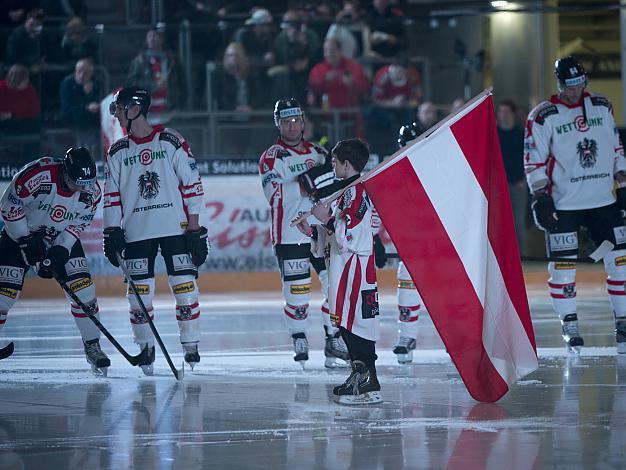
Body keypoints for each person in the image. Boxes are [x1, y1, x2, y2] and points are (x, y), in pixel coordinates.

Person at [103, 87, 209, 375]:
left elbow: (193, 185)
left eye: (122, 107)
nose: (118, 113)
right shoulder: (117, 150)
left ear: (136, 108)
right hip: (136, 232)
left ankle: (190, 344)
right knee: (138, 295)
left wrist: (195, 229)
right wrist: (111, 231)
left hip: (176, 229)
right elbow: (111, 196)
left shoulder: (170, 140)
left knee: (185, 287)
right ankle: (145, 347)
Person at [524, 56, 626, 354]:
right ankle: (570, 324)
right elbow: (534, 159)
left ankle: (623, 322)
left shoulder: (602, 106)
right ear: (559, 83)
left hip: (603, 200)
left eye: (580, 82)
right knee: (564, 266)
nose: (576, 89)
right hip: (565, 202)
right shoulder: (544, 116)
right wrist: (540, 196)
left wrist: (623, 183)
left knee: (620, 260)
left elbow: (615, 146)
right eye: (569, 84)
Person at [0, 147, 110, 375]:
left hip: (58, 236)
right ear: (65, 171)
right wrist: (26, 239)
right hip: (19, 234)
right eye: (76, 181)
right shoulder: (37, 174)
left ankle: (93, 345)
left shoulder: (92, 190)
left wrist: (62, 248)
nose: (82, 187)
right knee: (4, 295)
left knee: (83, 291)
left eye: (86, 182)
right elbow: (8, 206)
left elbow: (78, 223)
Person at [259, 98, 349, 368]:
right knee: (297, 292)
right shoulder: (270, 157)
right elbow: (273, 194)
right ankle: (298, 335)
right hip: (289, 233)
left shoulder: (320, 153)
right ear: (278, 123)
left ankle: (333, 337)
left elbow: (333, 188)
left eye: (296, 120)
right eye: (286, 121)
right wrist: (306, 183)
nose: (292, 126)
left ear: (304, 121)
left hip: (319, 230)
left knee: (334, 284)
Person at [295, 138, 382, 404]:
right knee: (345, 321)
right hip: (342, 267)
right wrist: (312, 230)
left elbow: (351, 236)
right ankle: (360, 375)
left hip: (355, 269)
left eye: (334, 161)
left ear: (347, 164)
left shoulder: (357, 192)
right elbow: (334, 235)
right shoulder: (344, 192)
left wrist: (326, 218)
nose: (331, 165)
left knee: (358, 323)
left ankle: (367, 379)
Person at [127, 29, 185, 119]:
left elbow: (182, 83)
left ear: (161, 39)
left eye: (155, 36)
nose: (152, 39)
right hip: (147, 111)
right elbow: (132, 83)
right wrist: (153, 85)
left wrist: (179, 105)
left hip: (169, 110)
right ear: (146, 40)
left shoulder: (172, 60)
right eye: (149, 36)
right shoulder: (139, 61)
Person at [496, 99, 527, 253]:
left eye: (507, 112)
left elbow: (528, 158)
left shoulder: (521, 135)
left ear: (514, 114)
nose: (504, 115)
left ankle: (520, 256)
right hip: (497, 185)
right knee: (497, 222)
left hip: (517, 183)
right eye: (501, 112)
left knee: (517, 222)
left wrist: (524, 178)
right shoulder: (493, 134)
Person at [59, 58, 101, 159]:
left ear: (91, 74)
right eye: (79, 72)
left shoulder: (96, 84)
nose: (81, 75)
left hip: (92, 123)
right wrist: (86, 108)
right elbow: (67, 110)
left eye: (86, 73)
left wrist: (90, 95)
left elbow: (100, 104)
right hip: (72, 120)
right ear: (75, 71)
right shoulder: (67, 84)